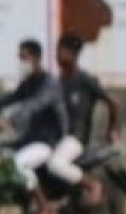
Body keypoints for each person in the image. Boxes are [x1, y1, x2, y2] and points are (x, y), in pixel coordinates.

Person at [0, 39, 69, 214]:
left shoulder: (48, 83)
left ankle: (44, 207)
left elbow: (34, 104)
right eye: (19, 58)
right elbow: (9, 99)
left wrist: (8, 121)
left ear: (36, 58)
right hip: (30, 138)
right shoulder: (29, 83)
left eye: (23, 57)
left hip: (49, 140)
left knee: (18, 165)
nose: (20, 62)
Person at [47, 33, 120, 205]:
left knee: (55, 164)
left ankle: (92, 184)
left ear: (73, 54)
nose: (58, 55)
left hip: (76, 139)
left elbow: (113, 103)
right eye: (57, 51)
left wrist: (111, 129)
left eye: (62, 51)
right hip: (59, 138)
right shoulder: (59, 81)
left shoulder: (85, 80)